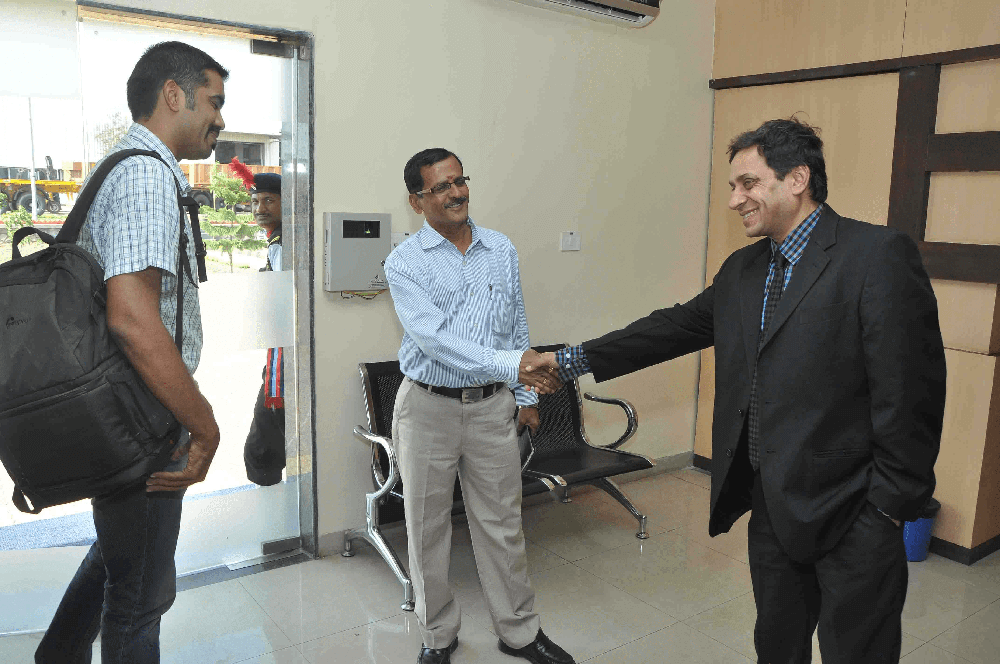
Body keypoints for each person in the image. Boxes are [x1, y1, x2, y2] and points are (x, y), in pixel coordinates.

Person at [532, 118, 947, 663]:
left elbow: (912, 394)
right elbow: (673, 328)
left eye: (748, 183)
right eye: (733, 186)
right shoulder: (745, 269)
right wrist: (567, 362)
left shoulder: (876, 255)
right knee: (776, 646)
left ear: (797, 179)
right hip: (771, 504)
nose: (734, 200)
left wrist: (887, 509)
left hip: (854, 512)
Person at [35, 41, 227, 664]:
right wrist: (203, 425)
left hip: (124, 411)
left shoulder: (125, 165)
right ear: (174, 95)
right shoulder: (146, 175)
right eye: (213, 102)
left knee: (120, 557)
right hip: (140, 419)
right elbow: (134, 320)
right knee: (139, 600)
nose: (220, 119)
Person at [384, 148, 574, 664]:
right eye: (441, 187)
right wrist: (514, 366)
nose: (456, 193)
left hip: (493, 408)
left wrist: (525, 396)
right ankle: (437, 636)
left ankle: (519, 633)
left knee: (502, 524)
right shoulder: (405, 262)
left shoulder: (500, 248)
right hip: (428, 409)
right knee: (426, 529)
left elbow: (516, 325)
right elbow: (434, 341)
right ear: (416, 201)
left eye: (459, 181)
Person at [241, 171, 287, 486]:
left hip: (285, 358)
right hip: (281, 348)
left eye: (269, 200)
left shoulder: (283, 243)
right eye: (255, 201)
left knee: (261, 448)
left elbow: (284, 300)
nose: (260, 208)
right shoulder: (278, 239)